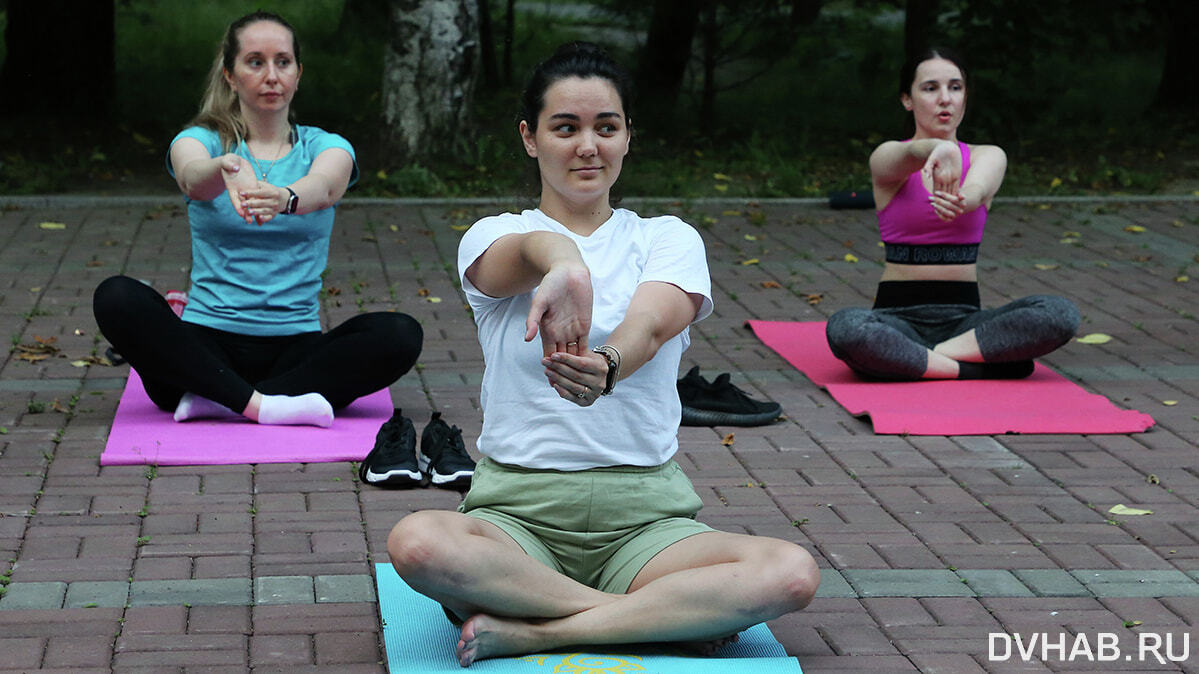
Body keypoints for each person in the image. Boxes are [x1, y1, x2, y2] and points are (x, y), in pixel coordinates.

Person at [387, 42, 819, 667]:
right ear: (530, 138)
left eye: (605, 127)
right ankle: (653, 618)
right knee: (419, 543)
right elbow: (523, 255)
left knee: (790, 573)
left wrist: (609, 362)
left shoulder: (666, 237)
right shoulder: (493, 235)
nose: (588, 145)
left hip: (647, 525)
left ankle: (546, 628)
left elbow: (650, 323)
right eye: (566, 128)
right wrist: (565, 264)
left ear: (626, 137)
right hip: (516, 520)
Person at [92, 11, 422, 428]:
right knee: (117, 296)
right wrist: (225, 167)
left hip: (294, 350)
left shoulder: (326, 146)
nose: (271, 75)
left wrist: (284, 198)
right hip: (204, 347)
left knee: (400, 335)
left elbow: (325, 187)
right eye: (255, 61)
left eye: (282, 62)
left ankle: (222, 398)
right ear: (230, 75)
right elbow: (193, 179)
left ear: (298, 74)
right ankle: (265, 406)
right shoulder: (201, 141)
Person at [825, 47, 1079, 380]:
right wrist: (938, 148)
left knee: (1061, 314)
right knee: (847, 328)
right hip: (896, 321)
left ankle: (923, 362)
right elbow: (910, 153)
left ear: (965, 97)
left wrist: (963, 198)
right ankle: (975, 368)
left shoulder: (988, 155)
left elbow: (977, 188)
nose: (945, 98)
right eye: (930, 88)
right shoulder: (888, 157)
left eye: (955, 87)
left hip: (966, 326)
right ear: (907, 99)